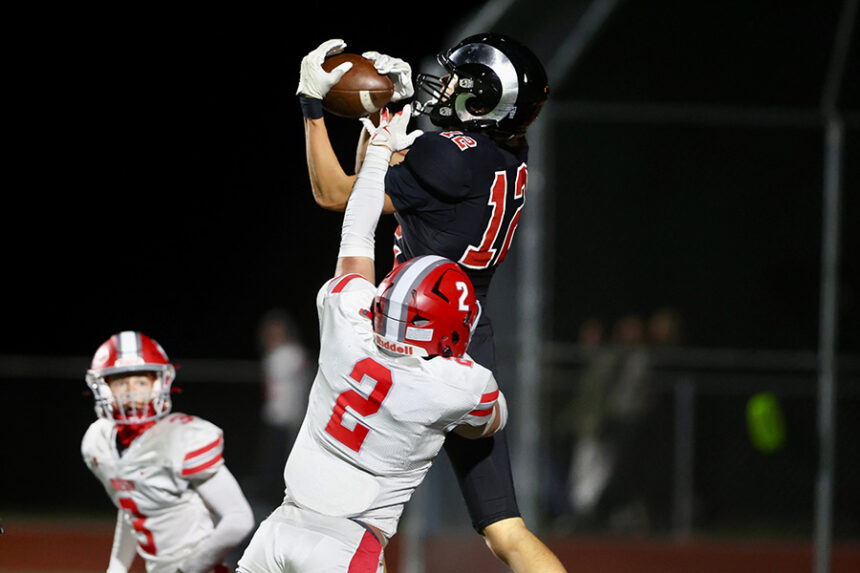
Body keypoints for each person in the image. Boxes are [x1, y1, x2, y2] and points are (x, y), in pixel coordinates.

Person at [297, 34, 566, 572]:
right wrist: (390, 114)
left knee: (331, 499)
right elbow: (388, 186)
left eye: (458, 82)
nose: (443, 88)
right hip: (469, 345)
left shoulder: (445, 156)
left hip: (405, 341)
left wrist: (312, 109)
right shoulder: (509, 151)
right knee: (504, 529)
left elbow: (338, 193)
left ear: (484, 101)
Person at [238, 105, 508, 572]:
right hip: (346, 546)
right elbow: (491, 419)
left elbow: (356, 232)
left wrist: (381, 147)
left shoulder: (349, 320)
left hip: (278, 528)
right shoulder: (461, 385)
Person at [81, 331, 255, 573]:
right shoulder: (97, 441)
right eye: (121, 382)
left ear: (158, 384)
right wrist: (116, 568)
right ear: (105, 388)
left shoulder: (181, 438)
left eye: (141, 382)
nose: (131, 391)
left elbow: (239, 518)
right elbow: (131, 507)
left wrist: (189, 569)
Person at [248, 308, 313, 513]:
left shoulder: (289, 354)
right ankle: (270, 498)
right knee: (272, 460)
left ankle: (285, 500)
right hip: (276, 414)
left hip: (290, 416)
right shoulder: (276, 354)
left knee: (285, 461)